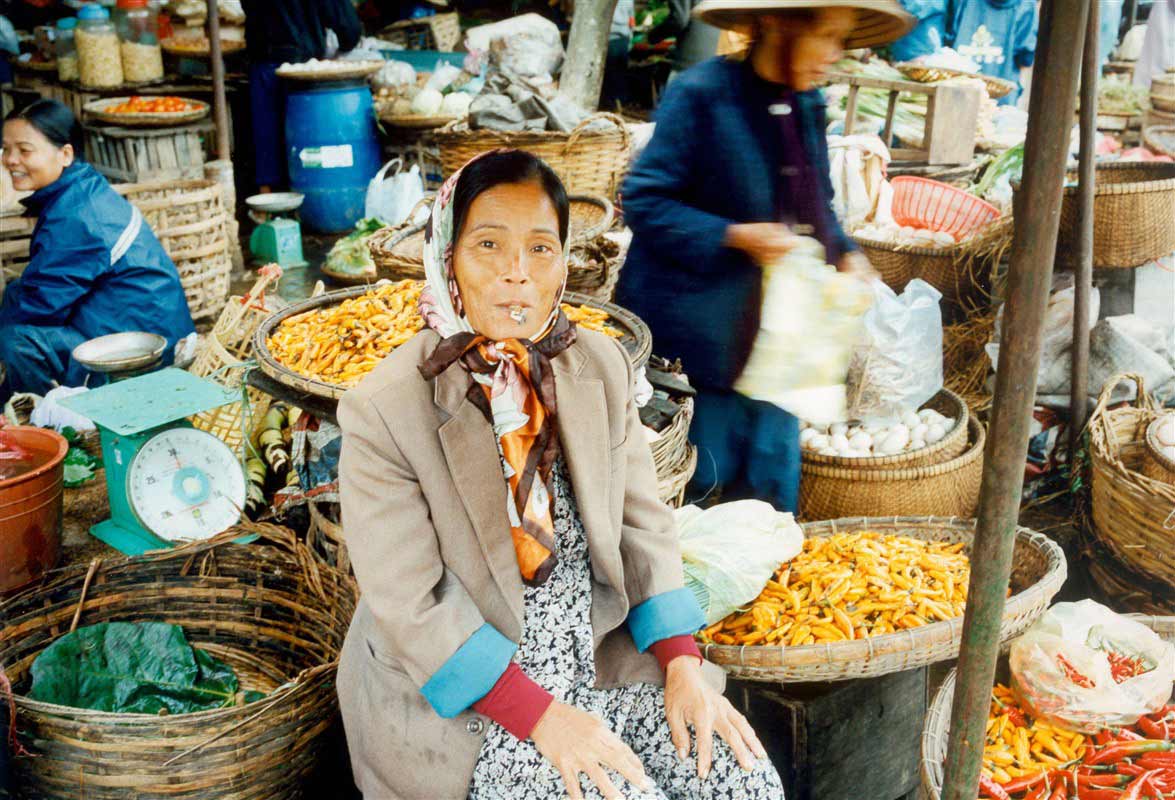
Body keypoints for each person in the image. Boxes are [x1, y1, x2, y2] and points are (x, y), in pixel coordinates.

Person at [335, 150, 784, 800]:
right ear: (446, 254)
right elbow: (412, 602)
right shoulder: (385, 408)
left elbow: (642, 524)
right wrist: (542, 718)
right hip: (477, 702)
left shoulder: (596, 364)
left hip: (600, 661)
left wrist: (682, 662)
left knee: (745, 783)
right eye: (488, 244)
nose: (517, 274)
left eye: (540, 248)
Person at [616, 0, 911, 515]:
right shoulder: (702, 95)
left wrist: (846, 254)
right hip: (698, 347)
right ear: (777, 23)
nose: (836, 55)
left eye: (843, 40)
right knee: (703, 494)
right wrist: (735, 236)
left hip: (777, 346)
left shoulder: (806, 105)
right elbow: (644, 200)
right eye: (828, 37)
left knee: (772, 497)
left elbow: (818, 204)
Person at [0, 100, 194, 401]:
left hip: (143, 356)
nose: (11, 160)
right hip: (126, 322)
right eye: (6, 149)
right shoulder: (79, 191)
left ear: (65, 154)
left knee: (17, 341)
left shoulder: (77, 215)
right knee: (16, 293)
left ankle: (48, 417)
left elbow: (40, 306)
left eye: (24, 150)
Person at [241, 0, 362, 192]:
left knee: (267, 136)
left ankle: (268, 204)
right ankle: (309, 199)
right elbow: (348, 27)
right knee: (310, 141)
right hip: (305, 69)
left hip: (265, 62)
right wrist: (343, 45)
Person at [946, 0, 1037, 105]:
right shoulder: (1026, 5)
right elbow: (1026, 58)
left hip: (956, 98)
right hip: (1000, 102)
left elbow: (947, 39)